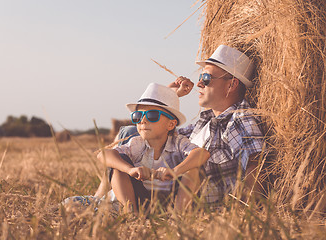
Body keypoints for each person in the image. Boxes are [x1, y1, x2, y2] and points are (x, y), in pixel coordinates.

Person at [95, 44, 265, 208]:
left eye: (206, 78)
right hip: (172, 186)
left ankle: (107, 198)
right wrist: (167, 98)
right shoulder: (205, 120)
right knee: (131, 130)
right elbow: (162, 133)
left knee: (131, 132)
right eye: (200, 78)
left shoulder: (239, 118)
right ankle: (102, 195)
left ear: (231, 84)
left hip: (197, 197)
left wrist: (248, 208)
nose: (199, 84)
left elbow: (255, 162)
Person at [97, 83, 209, 213]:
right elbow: (103, 154)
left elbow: (202, 153)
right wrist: (130, 170)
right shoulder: (137, 143)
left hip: (172, 200)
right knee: (118, 164)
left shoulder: (178, 143)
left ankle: (177, 216)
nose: (143, 120)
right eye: (137, 116)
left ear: (171, 124)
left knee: (194, 168)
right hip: (141, 199)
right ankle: (131, 213)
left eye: (152, 116)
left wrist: (176, 170)